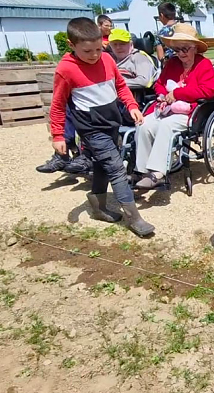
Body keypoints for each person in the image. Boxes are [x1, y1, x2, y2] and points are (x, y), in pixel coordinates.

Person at [48, 17, 153, 237]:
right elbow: (57, 105)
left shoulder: (107, 59)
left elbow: (121, 86)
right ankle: (135, 218)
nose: (94, 55)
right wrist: (58, 135)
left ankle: (97, 207)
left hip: (111, 123)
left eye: (98, 48)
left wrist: (131, 105)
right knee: (116, 168)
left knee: (101, 164)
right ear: (72, 45)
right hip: (91, 129)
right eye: (87, 51)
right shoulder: (66, 70)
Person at [134, 23, 214, 190]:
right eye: (177, 49)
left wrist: (178, 93)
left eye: (185, 49)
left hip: (191, 110)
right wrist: (162, 95)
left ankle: (157, 174)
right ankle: (142, 170)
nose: (180, 53)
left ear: (195, 48)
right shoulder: (172, 63)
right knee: (144, 125)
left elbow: (209, 90)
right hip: (166, 107)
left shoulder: (204, 64)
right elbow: (159, 84)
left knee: (166, 126)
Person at [109, 28, 158, 95]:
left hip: (133, 98)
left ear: (131, 44)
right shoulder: (110, 59)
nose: (118, 47)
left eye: (122, 44)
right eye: (115, 44)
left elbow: (145, 81)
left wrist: (114, 84)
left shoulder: (139, 57)